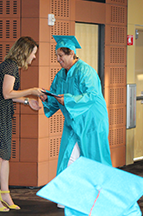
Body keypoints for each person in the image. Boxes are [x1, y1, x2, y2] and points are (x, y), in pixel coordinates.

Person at [0, 36, 43, 212]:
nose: (34, 57)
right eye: (33, 53)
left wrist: (28, 101)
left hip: (0, 110)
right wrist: (32, 91)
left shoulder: (11, 66)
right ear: (25, 52)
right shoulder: (10, 66)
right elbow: (6, 93)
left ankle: (5, 193)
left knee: (4, 154)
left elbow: (8, 94)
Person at [40, 35, 112, 183]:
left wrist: (67, 99)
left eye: (61, 56)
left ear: (71, 54)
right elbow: (56, 98)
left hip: (92, 121)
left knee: (95, 159)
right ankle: (67, 196)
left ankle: (102, 194)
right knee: (68, 157)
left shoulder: (86, 71)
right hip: (73, 122)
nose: (58, 59)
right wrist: (47, 98)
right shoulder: (60, 75)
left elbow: (91, 95)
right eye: (57, 56)